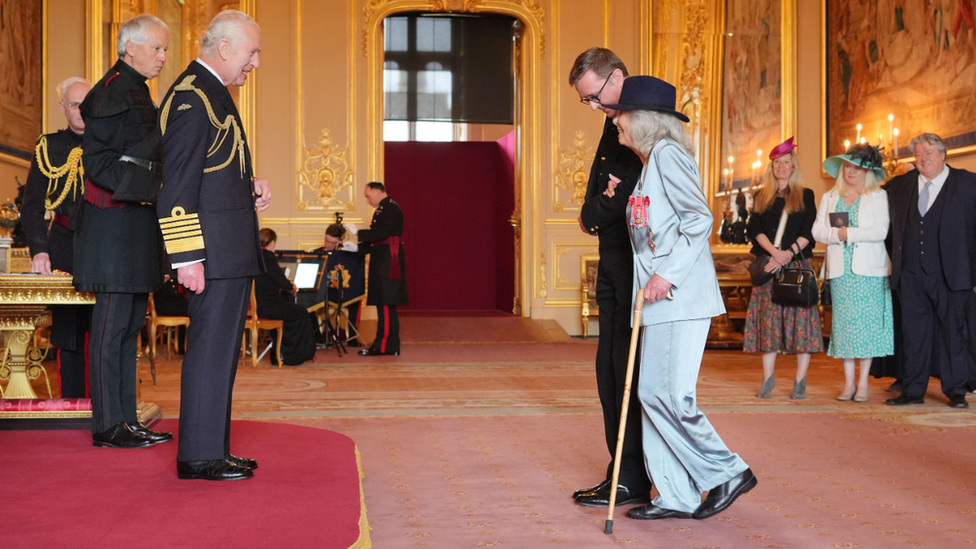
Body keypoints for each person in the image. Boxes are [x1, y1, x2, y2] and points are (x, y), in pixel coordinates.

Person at [603, 76, 755, 521]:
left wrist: (665, 276)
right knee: (652, 395)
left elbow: (698, 218)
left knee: (668, 395)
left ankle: (727, 470)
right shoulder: (650, 163)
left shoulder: (669, 157)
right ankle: (675, 494)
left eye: (622, 115)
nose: (617, 124)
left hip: (679, 298)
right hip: (657, 300)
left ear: (644, 120)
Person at [157, 9, 270, 480]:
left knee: (222, 352)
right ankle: (199, 456)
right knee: (209, 351)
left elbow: (211, 174)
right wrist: (187, 257)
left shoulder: (213, 94)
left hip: (227, 248)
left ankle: (213, 449)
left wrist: (248, 187)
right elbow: (176, 185)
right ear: (224, 48)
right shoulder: (192, 98)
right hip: (211, 254)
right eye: (252, 52)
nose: (255, 63)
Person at [75, 14, 172, 449]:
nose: (163, 57)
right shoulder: (112, 91)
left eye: (165, 49)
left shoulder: (134, 89)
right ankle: (108, 426)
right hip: (114, 227)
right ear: (130, 47)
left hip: (134, 223)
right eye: (157, 48)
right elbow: (97, 164)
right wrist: (156, 187)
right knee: (111, 327)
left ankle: (127, 420)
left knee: (130, 325)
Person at [567, 47, 650, 508]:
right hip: (611, 261)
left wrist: (600, 205)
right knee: (608, 371)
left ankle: (633, 476)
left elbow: (612, 202)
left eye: (595, 96)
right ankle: (621, 471)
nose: (596, 109)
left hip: (635, 264)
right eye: (588, 102)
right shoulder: (612, 120)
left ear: (616, 76)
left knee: (627, 374)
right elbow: (590, 208)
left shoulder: (640, 120)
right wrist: (599, 204)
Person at [884, 133, 976, 409]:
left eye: (929, 153)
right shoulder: (899, 185)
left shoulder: (969, 183)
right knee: (914, 333)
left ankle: (956, 389)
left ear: (943, 154)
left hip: (954, 273)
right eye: (919, 154)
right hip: (910, 274)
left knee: (953, 333)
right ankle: (913, 389)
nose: (923, 159)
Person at [21, 77, 93, 398]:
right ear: (62, 107)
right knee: (68, 332)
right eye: (75, 104)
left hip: (105, 245)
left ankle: (108, 411)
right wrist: (39, 250)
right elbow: (32, 207)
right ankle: (74, 405)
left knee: (107, 332)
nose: (81, 111)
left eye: (87, 104)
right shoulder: (48, 146)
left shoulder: (110, 143)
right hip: (63, 245)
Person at [813, 144, 894, 402]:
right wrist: (837, 235)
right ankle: (848, 384)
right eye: (847, 166)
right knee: (846, 328)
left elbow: (881, 231)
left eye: (857, 168)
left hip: (869, 272)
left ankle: (863, 385)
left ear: (867, 172)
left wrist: (851, 233)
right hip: (841, 272)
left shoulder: (878, 196)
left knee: (867, 329)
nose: (851, 171)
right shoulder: (830, 197)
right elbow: (817, 232)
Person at [744, 137, 823, 399]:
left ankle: (800, 379)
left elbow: (808, 231)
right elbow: (753, 229)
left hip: (796, 265)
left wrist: (787, 254)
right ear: (771, 167)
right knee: (769, 323)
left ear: (793, 166)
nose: (781, 166)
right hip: (768, 264)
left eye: (786, 162)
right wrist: (775, 253)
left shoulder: (806, 195)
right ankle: (768, 378)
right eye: (776, 162)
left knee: (801, 322)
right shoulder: (761, 195)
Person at [357, 182, 407, 356]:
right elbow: (377, 240)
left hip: (387, 262)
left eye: (368, 195)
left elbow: (381, 235)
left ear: (378, 191)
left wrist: (358, 233)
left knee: (385, 304)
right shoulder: (383, 209)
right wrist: (356, 248)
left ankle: (385, 346)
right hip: (383, 260)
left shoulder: (391, 209)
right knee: (383, 304)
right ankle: (384, 344)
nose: (368, 200)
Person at [256, 228, 317, 365]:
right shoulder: (268, 257)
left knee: (292, 311)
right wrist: (291, 286)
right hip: (267, 307)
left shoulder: (254, 256)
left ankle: (279, 353)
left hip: (255, 306)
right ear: (272, 242)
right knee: (301, 313)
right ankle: (289, 355)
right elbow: (281, 281)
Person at [320, 223, 363, 347]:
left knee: (356, 299)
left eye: (333, 243)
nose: (328, 245)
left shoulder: (349, 255)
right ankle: (318, 337)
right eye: (326, 241)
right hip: (325, 293)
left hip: (345, 291)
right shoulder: (317, 253)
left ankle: (353, 337)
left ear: (340, 242)